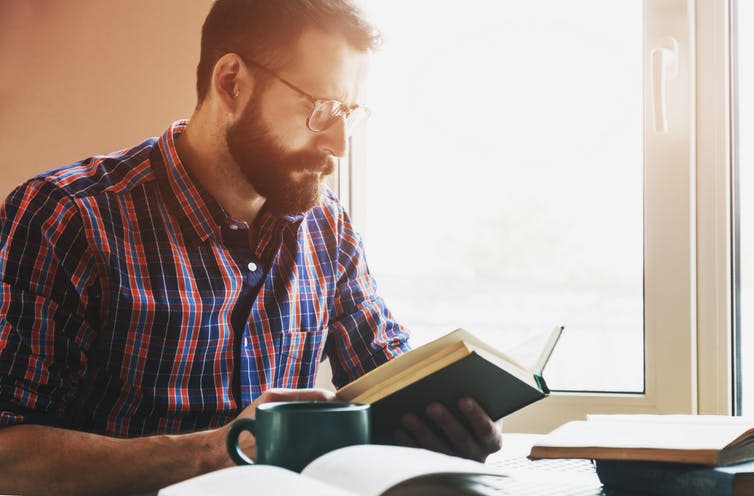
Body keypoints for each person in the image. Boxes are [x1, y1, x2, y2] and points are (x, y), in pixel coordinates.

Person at [0, 1, 502, 494]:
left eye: (348, 112)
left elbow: (389, 378)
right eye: (321, 108)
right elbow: (9, 456)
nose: (339, 144)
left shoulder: (327, 226)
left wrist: (452, 423)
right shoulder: (65, 216)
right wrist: (212, 453)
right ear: (231, 83)